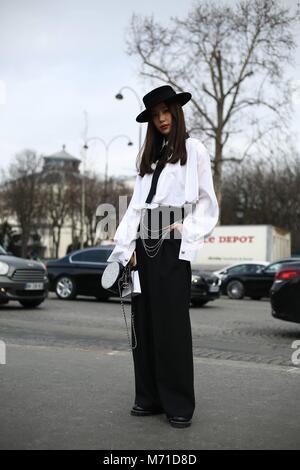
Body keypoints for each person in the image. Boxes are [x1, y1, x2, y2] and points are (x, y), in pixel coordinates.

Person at [107, 85, 219, 428]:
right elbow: (135, 209)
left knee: (171, 326)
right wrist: (124, 250)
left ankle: (178, 403)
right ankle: (149, 397)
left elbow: (207, 200)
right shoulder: (149, 160)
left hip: (171, 246)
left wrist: (187, 230)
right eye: (155, 116)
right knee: (145, 326)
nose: (162, 119)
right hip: (144, 246)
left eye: (166, 112)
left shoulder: (194, 149)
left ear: (176, 112)